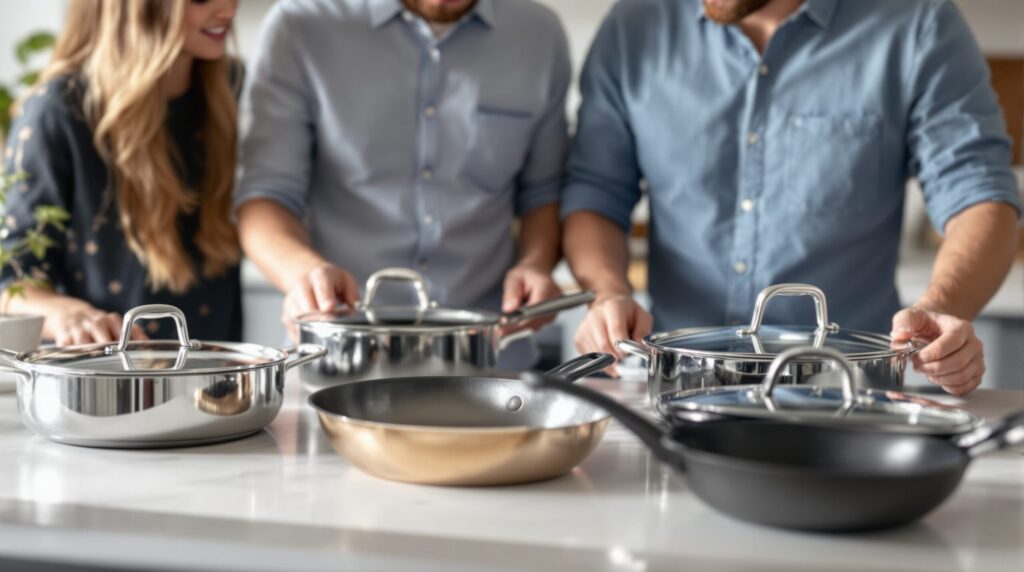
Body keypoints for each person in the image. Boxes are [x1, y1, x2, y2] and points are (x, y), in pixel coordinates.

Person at [563, 0, 1021, 395]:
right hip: (675, 386)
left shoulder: (918, 24)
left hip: (851, 393)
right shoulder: (634, 26)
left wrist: (940, 309)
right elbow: (596, 194)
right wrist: (607, 291)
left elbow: (979, 197)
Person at [236, 0, 570, 368]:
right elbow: (265, 198)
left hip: (494, 360)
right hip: (340, 361)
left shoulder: (539, 35)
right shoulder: (299, 25)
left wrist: (535, 265)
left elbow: (544, 193)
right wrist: (305, 275)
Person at [1, 0, 243, 345]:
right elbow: (13, 281)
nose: (229, 8)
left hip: (215, 384)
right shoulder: (58, 110)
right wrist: (67, 315)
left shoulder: (232, 88)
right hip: (107, 385)